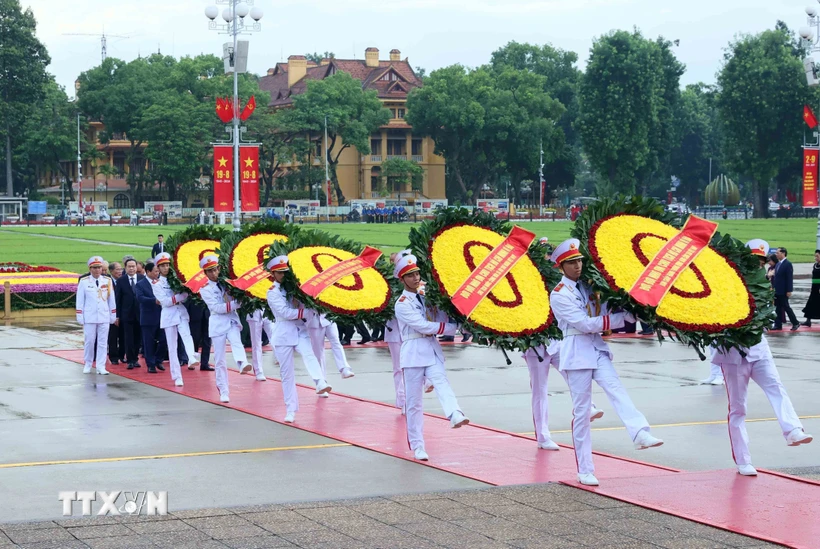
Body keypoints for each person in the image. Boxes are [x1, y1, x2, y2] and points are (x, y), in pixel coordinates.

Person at [549, 238, 663, 486]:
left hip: (596, 348)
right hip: (577, 351)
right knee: (582, 413)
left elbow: (603, 309)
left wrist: (632, 307)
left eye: (579, 260)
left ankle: (639, 432)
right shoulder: (559, 294)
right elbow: (585, 324)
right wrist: (623, 319)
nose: (577, 265)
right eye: (571, 262)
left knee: (616, 389)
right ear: (561, 266)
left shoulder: (588, 287)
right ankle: (585, 469)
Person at [711, 239, 813, 475]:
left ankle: (792, 430)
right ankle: (743, 459)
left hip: (759, 350)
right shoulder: (726, 282)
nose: (758, 266)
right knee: (738, 409)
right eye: (754, 261)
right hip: (733, 355)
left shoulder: (764, 285)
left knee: (777, 387)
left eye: (761, 261)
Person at [394, 253, 469, 461]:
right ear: (402, 279)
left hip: (432, 349)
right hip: (413, 353)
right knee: (414, 403)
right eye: (410, 275)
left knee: (441, 381)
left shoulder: (427, 296)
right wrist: (450, 327)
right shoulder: (402, 303)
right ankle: (418, 446)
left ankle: (455, 413)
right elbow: (423, 326)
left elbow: (438, 315)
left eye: (417, 273)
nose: (416, 278)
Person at [266, 256, 332, 422]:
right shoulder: (272, 292)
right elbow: (285, 313)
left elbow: (306, 304)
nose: (283, 275)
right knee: (287, 374)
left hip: (299, 330)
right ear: (273, 273)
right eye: (280, 273)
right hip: (283, 334)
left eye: (285, 272)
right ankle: (290, 409)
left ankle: (320, 382)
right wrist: (305, 312)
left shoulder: (295, 288)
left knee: (310, 354)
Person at [523, 341, 606, 450]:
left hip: (556, 344)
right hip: (535, 348)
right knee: (539, 390)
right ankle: (543, 437)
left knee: (574, 376)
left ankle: (588, 407)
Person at [198, 255, 250, 403]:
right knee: (220, 359)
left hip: (232, 320)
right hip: (218, 323)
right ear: (205, 273)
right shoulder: (205, 289)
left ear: (219, 269)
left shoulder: (227, 283)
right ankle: (223, 390)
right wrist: (237, 304)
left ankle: (242, 362)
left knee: (236, 342)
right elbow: (216, 307)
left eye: (215, 270)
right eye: (210, 271)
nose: (213, 274)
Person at [151, 252, 200, 386]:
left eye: (167, 265)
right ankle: (177, 376)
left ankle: (191, 357)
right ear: (158, 268)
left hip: (180, 311)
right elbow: (165, 301)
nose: (166, 268)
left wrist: (185, 293)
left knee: (187, 335)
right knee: (172, 347)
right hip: (168, 314)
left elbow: (186, 293)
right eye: (163, 266)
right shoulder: (156, 283)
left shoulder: (176, 279)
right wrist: (180, 296)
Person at [76, 256, 117, 375]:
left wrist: (112, 314)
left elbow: (111, 299)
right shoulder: (84, 282)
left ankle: (101, 365)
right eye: (94, 268)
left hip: (103, 315)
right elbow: (80, 300)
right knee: (89, 341)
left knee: (103, 342)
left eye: (99, 267)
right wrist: (80, 315)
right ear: (90, 268)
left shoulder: (107, 281)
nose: (97, 270)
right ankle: (88, 363)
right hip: (90, 316)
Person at [306, 309, 355, 389]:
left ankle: (344, 368)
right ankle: (322, 383)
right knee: (318, 353)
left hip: (328, 317)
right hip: (313, 321)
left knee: (336, 341)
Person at [135, 261, 165, 374]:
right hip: (148, 317)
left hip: (162, 317)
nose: (158, 273)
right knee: (149, 343)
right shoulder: (140, 284)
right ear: (148, 271)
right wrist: (154, 301)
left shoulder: (161, 282)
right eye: (156, 271)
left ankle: (158, 360)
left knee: (164, 340)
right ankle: (151, 364)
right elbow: (140, 298)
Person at [115, 258, 144, 369]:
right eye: (129, 266)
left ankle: (135, 358)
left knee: (138, 338)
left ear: (136, 267)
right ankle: (130, 360)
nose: (131, 268)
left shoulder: (142, 279)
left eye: (133, 266)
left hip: (140, 314)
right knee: (128, 339)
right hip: (126, 314)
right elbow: (118, 299)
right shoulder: (121, 280)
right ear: (125, 268)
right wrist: (117, 315)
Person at [772, 247, 799, 331]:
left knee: (786, 307)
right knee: (777, 308)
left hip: (783, 290)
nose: (776, 255)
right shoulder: (778, 264)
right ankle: (778, 324)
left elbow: (789, 278)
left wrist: (789, 290)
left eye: (777, 253)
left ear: (783, 253)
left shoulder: (787, 264)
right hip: (777, 290)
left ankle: (795, 323)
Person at [185, 298, 214, 372]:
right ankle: (192, 360)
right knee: (195, 338)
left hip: (207, 311)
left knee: (207, 339)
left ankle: (205, 363)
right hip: (195, 310)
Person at [247, 308, 273, 381]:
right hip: (254, 312)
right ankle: (258, 371)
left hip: (267, 310)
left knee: (274, 337)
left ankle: (279, 360)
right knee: (256, 343)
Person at [802, 249, 820, 327]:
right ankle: (808, 320)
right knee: (811, 302)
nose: (815, 258)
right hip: (814, 286)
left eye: (817, 256)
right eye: (815, 256)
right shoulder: (815, 265)